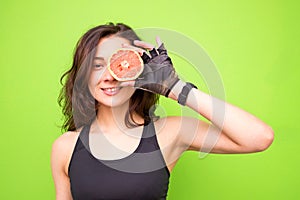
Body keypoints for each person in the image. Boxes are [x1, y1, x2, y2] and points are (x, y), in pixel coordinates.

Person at [51, 23, 274, 200]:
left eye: (119, 63)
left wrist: (177, 87)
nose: (110, 75)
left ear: (140, 68)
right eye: (97, 65)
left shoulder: (170, 133)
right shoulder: (66, 146)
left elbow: (259, 137)